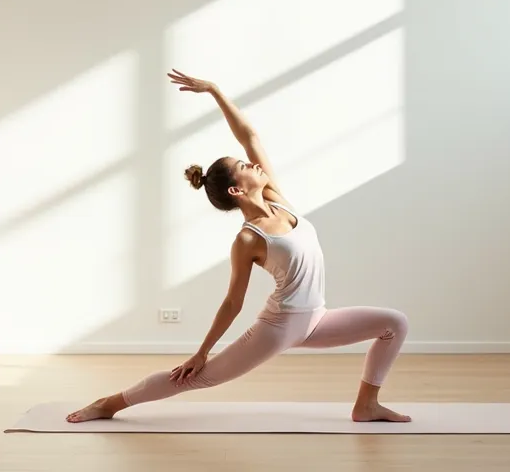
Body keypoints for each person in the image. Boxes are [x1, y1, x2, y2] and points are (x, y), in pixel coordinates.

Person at [65, 70, 411, 424]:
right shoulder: (248, 239)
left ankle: (366, 406)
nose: (254, 163)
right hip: (279, 327)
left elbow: (251, 137)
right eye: (244, 166)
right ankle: (108, 404)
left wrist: (215, 91)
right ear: (236, 190)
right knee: (196, 377)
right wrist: (201, 352)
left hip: (317, 318)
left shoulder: (279, 200)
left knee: (393, 323)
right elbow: (233, 301)